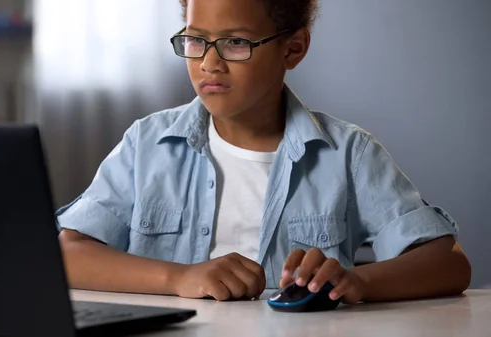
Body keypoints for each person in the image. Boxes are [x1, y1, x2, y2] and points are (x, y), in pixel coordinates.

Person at [56, 0, 471, 303]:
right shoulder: (146, 145)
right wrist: (179, 278)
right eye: (196, 40)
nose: (209, 64)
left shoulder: (349, 154)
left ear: (293, 49)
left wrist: (358, 282)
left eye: (236, 42)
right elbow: (68, 254)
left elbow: (448, 264)